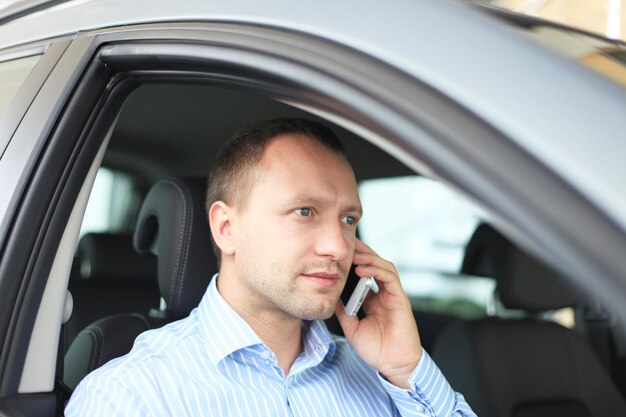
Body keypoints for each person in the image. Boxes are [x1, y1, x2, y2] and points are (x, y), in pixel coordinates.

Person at [65, 118, 476, 416]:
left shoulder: (385, 378)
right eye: (304, 211)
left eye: (349, 220)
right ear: (227, 228)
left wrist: (407, 369)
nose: (338, 246)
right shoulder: (132, 396)